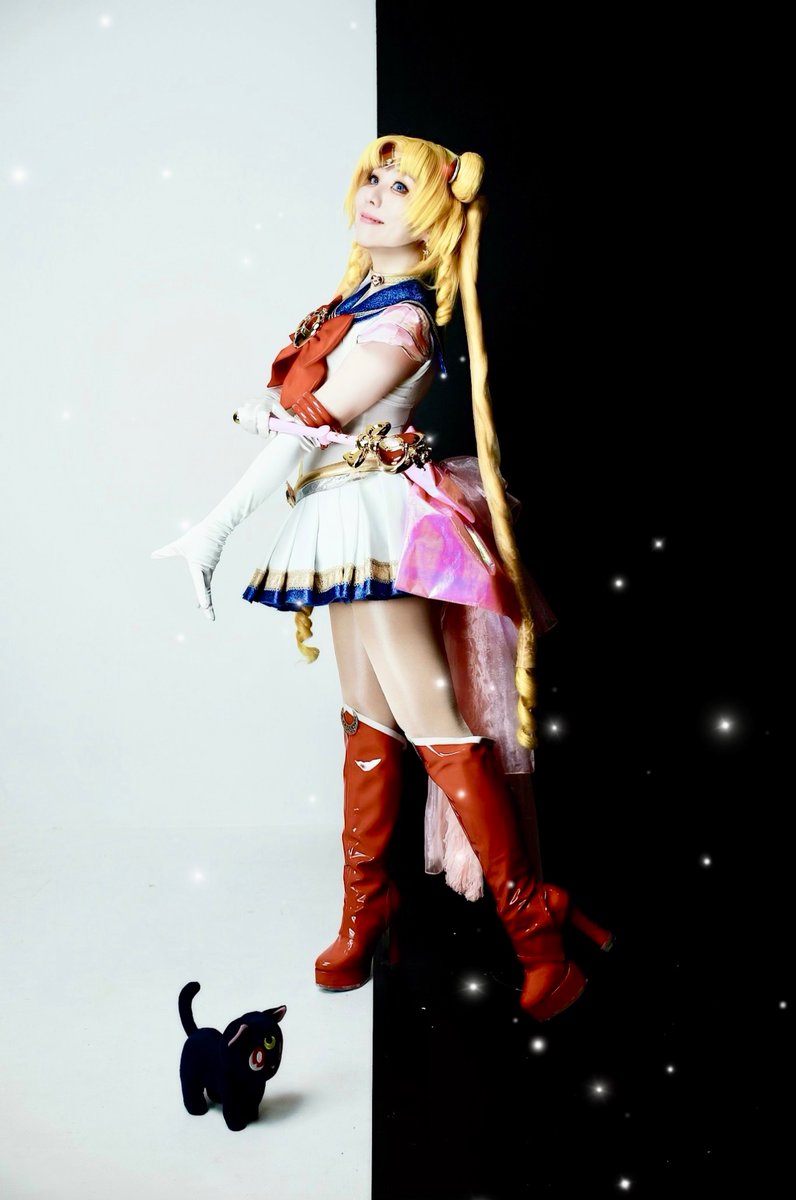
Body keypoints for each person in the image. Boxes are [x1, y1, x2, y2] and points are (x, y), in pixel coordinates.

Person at [152, 135, 612, 1021]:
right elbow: (304, 432)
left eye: (400, 186)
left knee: (434, 724)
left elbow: (313, 419)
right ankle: (370, 906)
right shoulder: (354, 303)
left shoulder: (403, 321)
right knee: (367, 718)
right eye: (373, 176)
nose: (376, 193)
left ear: (434, 221)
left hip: (382, 526)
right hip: (338, 520)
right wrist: (225, 510)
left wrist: (218, 521)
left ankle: (537, 933)